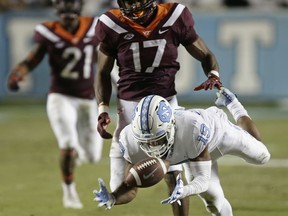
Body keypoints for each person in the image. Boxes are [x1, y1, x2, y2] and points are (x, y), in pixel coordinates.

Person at [94, 1, 222, 215]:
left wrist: (213, 75)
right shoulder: (111, 23)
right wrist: (102, 109)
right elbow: (102, 72)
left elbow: (206, 54)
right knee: (122, 185)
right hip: (128, 110)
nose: (133, 5)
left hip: (164, 106)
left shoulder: (173, 16)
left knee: (173, 174)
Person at [93, 87, 270, 216]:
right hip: (190, 153)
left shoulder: (191, 129)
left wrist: (184, 191)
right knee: (213, 202)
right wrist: (113, 197)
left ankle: (233, 103)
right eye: (147, 142)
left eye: (158, 139)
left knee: (262, 156)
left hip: (218, 135)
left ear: (171, 127)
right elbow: (130, 188)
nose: (154, 147)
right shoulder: (129, 141)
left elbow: (203, 179)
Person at [7, 0, 103, 209]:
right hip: (61, 97)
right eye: (64, 18)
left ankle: (77, 148)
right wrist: (18, 73)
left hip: (87, 99)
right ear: (58, 14)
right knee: (67, 144)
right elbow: (32, 59)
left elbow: (103, 60)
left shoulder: (93, 26)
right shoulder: (49, 32)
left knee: (94, 157)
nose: (68, 22)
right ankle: (69, 193)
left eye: (71, 17)